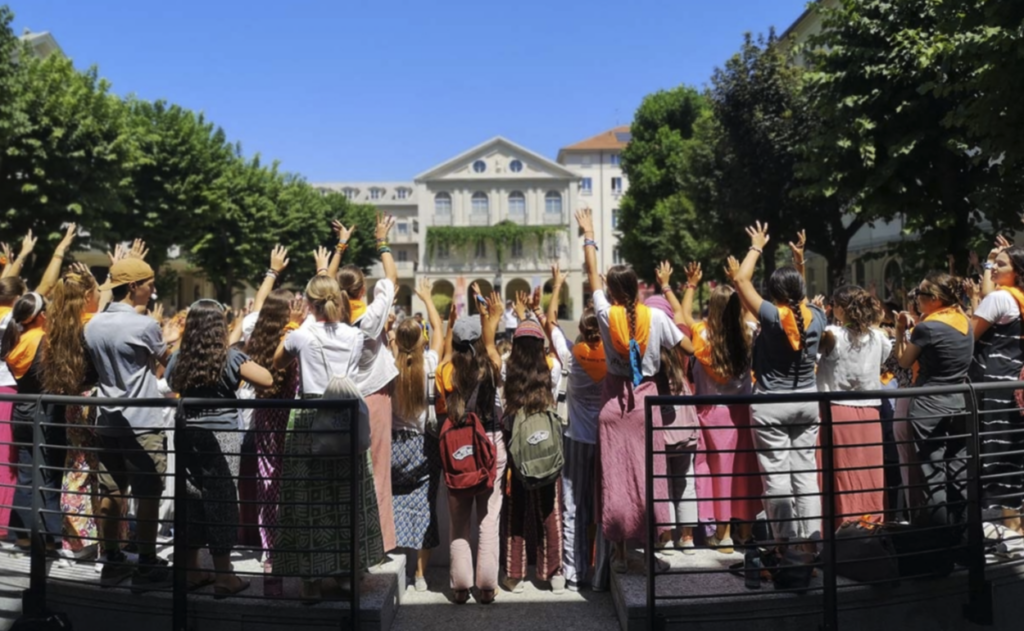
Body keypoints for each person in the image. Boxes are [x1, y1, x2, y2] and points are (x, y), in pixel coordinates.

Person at [575, 208, 693, 573]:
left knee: (615, 479)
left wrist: (589, 234)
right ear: (637, 287)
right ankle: (650, 553)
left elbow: (591, 273)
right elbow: (689, 348)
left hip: (613, 407)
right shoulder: (655, 317)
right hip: (645, 407)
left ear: (610, 291)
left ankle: (621, 555)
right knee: (648, 476)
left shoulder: (604, 314)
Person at [272, 275, 385, 603]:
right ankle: (348, 572)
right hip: (345, 418)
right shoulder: (355, 336)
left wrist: (292, 325)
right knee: (346, 497)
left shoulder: (301, 335)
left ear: (309, 303)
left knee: (308, 500)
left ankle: (311, 579)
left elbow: (278, 362)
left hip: (310, 419)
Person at [84, 255, 180, 591]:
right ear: (134, 286)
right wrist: (171, 342)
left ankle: (111, 560)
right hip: (142, 423)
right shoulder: (144, 326)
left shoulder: (92, 325)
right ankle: (147, 563)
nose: (153, 289)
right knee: (148, 492)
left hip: (107, 420)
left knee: (111, 491)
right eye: (150, 284)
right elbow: (171, 368)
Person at [166, 299, 273, 597]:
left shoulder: (179, 358)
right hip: (221, 437)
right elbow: (266, 379)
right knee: (222, 501)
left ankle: (192, 570)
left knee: (192, 498)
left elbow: (169, 380)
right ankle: (224, 576)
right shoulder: (230, 358)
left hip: (186, 433)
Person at [730, 222, 827, 549]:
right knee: (806, 476)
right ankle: (811, 545)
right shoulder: (817, 315)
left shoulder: (772, 317)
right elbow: (802, 302)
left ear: (773, 294)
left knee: (777, 478)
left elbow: (741, 280)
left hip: (771, 405)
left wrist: (756, 246)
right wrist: (799, 262)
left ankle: (785, 548)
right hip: (807, 403)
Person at [331, 214, 400, 554]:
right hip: (374, 396)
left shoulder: (329, 320)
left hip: (341, 399)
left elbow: (322, 281)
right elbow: (392, 278)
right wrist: (381, 240)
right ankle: (378, 543)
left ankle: (345, 540)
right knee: (378, 472)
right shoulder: (371, 317)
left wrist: (340, 246)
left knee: (345, 473)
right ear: (362, 289)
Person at [436, 294, 504, 604]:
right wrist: (492, 319)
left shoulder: (445, 371)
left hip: (457, 448)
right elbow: (491, 348)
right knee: (488, 519)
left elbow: (445, 353)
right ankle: (487, 587)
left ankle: (460, 586)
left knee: (459, 522)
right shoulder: (489, 368)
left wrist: (450, 325)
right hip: (489, 444)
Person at [895, 271, 973, 538]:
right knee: (959, 471)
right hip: (960, 402)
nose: (917, 298)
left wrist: (899, 332)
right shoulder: (965, 321)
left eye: (921, 293)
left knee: (932, 475)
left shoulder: (927, 328)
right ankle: (964, 539)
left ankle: (938, 545)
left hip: (929, 405)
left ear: (936, 299)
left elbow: (904, 361)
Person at [816, 285, 891, 530]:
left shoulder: (833, 334)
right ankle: (870, 526)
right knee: (869, 472)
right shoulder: (879, 337)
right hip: (870, 411)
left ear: (840, 308)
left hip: (836, 409)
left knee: (838, 471)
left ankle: (840, 526)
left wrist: (817, 315)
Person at [502, 313, 566, 594]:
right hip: (546, 445)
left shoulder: (507, 370)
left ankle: (515, 575)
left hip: (517, 447)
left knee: (516, 509)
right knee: (549, 509)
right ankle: (554, 574)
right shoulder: (552, 369)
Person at [390, 278, 444, 592]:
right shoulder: (430, 365)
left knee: (393, 505)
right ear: (421, 340)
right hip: (424, 446)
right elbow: (439, 332)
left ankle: (393, 567)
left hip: (394, 446)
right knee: (425, 508)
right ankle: (420, 576)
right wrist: (427, 299)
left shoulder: (388, 367)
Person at [2, 292, 64, 553]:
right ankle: (50, 539)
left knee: (26, 474)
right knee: (48, 473)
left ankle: (24, 535)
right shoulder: (44, 340)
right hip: (44, 411)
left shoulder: (15, 340)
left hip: (21, 411)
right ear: (39, 316)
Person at [244, 286, 300, 574]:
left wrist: (272, 274)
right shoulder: (293, 339)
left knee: (267, 482)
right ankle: (294, 545)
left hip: (265, 416)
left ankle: (270, 552)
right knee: (293, 483)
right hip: (291, 418)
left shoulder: (256, 339)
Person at [972, 241, 1024, 533]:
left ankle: (1011, 531)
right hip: (1018, 382)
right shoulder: (1018, 299)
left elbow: (969, 337)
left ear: (1017, 272)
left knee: (1000, 453)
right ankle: (1018, 528)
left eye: (1000, 264)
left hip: (998, 385)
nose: (993, 269)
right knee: (1017, 452)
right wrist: (990, 262)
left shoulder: (1000, 298)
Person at [0, 276, 27, 543]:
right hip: (8, 389)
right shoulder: (16, 322)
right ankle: (3, 522)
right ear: (17, 298)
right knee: (7, 458)